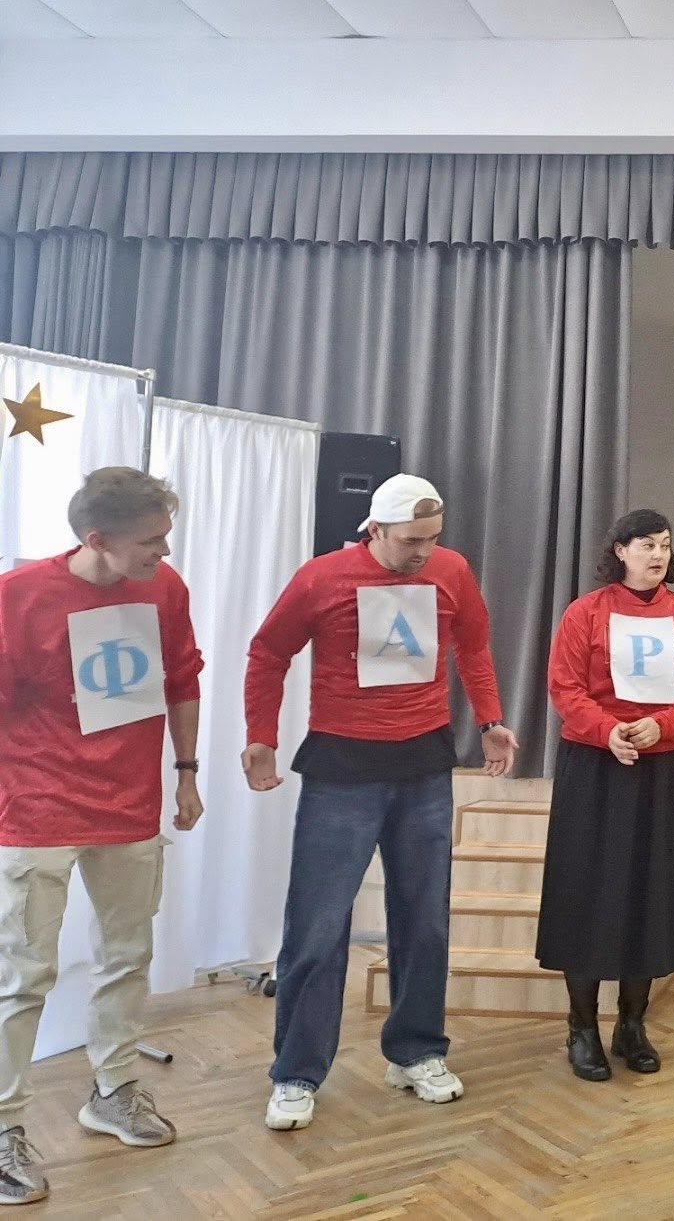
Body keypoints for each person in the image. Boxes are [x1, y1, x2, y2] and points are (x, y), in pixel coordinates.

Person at [242, 474, 516, 1133]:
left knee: (425, 920)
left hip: (424, 766)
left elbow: (474, 645)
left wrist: (490, 719)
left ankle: (416, 1051)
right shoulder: (322, 578)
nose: (424, 552)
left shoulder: (451, 571)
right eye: (411, 540)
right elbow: (268, 652)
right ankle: (297, 1072)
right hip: (341, 770)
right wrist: (261, 737)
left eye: (433, 539)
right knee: (317, 926)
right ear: (375, 529)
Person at [0, 469, 203, 1207]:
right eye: (151, 541)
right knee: (24, 973)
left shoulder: (164, 588)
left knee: (127, 955)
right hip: (39, 810)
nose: (165, 551)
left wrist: (186, 772)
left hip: (130, 805)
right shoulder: (19, 597)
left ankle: (112, 1090)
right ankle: (2, 1125)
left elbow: (183, 679)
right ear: (97, 539)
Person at [535, 509, 674, 1083]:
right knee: (588, 894)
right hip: (596, 769)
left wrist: (662, 726)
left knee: (651, 893)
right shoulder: (585, 613)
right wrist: (607, 731)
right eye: (646, 544)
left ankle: (632, 1025)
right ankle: (581, 1027)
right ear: (619, 550)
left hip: (663, 769)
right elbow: (565, 685)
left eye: (665, 544)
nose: (658, 554)